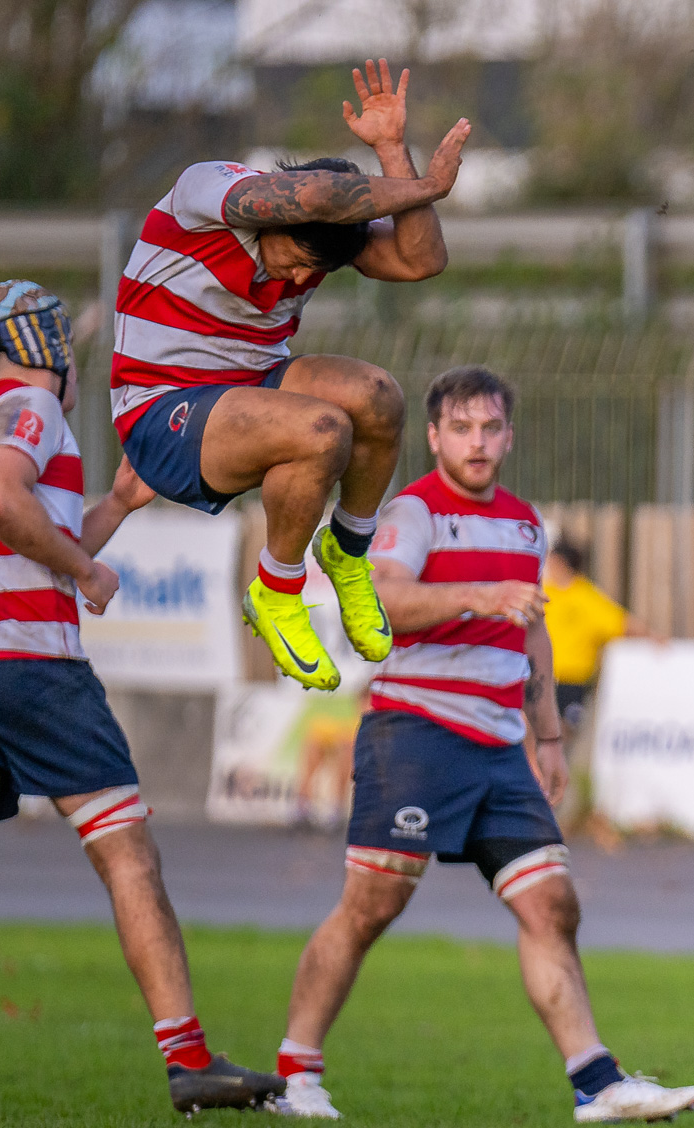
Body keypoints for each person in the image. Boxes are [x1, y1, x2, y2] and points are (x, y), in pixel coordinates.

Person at [272, 365, 694, 1125]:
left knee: (552, 904)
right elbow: (380, 603)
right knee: (371, 905)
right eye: (462, 428)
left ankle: (595, 1083)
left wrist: (547, 737)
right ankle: (296, 1074)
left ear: (510, 434)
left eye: (492, 428)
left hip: (501, 746)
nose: (478, 442)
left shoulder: (524, 522)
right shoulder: (413, 513)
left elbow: (531, 626)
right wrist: (476, 595)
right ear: (435, 435)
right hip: (416, 733)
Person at [0, 280, 286, 1114]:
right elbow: (9, 502)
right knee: (127, 853)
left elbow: (30, 536)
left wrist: (118, 506)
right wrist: (87, 571)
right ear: (51, 348)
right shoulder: (30, 406)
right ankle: (188, 1060)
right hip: (32, 670)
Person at [111, 59, 472, 691]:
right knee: (323, 429)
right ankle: (277, 590)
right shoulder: (209, 193)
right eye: (298, 260)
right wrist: (429, 187)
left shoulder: (322, 235)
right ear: (274, 221)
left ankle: (348, 552)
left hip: (251, 391)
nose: (301, 281)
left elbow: (423, 260)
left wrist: (392, 149)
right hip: (161, 408)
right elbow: (318, 197)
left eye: (316, 273)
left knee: (377, 396)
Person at [542, 540, 652, 732]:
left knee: (560, 735)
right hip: (541, 676)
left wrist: (652, 637)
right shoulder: (545, 592)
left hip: (571, 679)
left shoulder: (585, 597)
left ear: (561, 563)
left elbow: (622, 624)